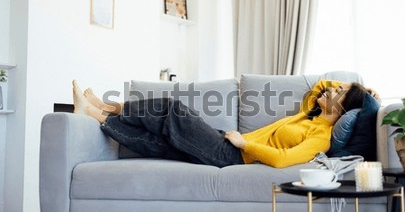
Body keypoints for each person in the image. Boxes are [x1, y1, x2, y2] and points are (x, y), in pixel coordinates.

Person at [72, 79, 371, 168]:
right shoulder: (309, 114)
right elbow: (320, 84)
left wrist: (245, 144)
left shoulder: (321, 137)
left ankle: (106, 108)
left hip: (234, 154)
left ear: (343, 106)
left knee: (174, 110)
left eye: (340, 92)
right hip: (228, 144)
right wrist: (360, 92)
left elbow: (283, 160)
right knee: (160, 143)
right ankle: (99, 115)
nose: (332, 90)